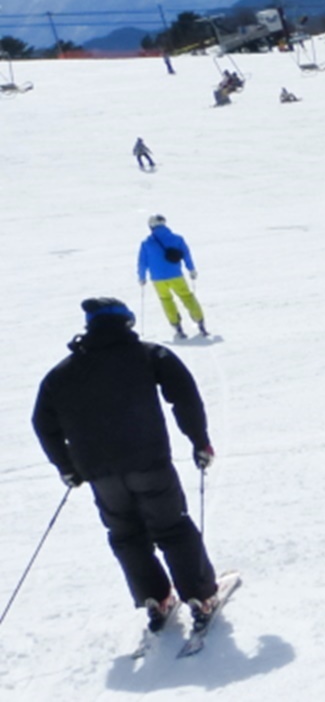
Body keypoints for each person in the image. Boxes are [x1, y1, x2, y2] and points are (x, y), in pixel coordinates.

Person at [31, 297, 222, 636]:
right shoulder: (150, 355)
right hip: (149, 464)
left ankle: (155, 598)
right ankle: (200, 597)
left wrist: (67, 466)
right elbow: (184, 395)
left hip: (101, 475)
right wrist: (199, 440)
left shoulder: (61, 374)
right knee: (172, 529)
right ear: (126, 323)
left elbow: (43, 423)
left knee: (125, 535)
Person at [138, 216, 205, 339]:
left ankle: (176, 325)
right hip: (176, 275)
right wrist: (191, 269)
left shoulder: (146, 243)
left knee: (166, 300)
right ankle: (199, 321)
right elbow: (186, 254)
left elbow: (142, 262)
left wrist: (142, 277)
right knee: (187, 297)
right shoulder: (177, 239)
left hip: (157, 278)